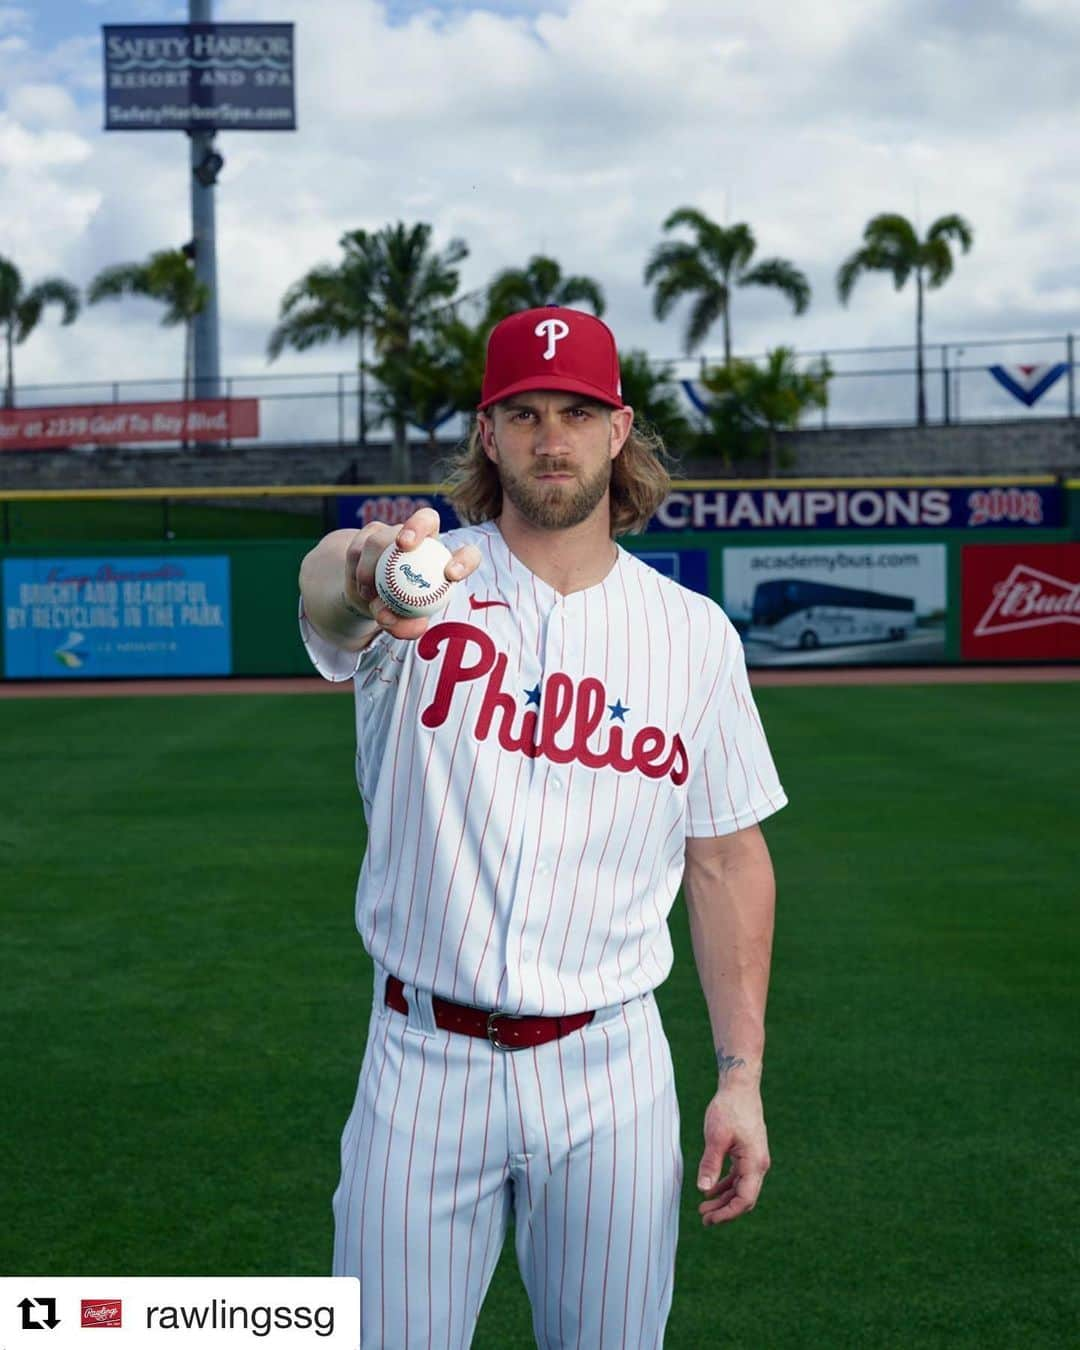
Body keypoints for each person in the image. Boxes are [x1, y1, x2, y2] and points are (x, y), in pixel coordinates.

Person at [298, 305, 787, 1349]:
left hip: (611, 1071)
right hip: (423, 1061)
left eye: (575, 411)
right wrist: (365, 562)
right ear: (488, 434)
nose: (549, 438)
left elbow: (727, 858)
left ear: (619, 430)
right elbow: (331, 593)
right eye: (522, 413)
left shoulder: (693, 635)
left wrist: (738, 1080)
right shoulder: (422, 593)